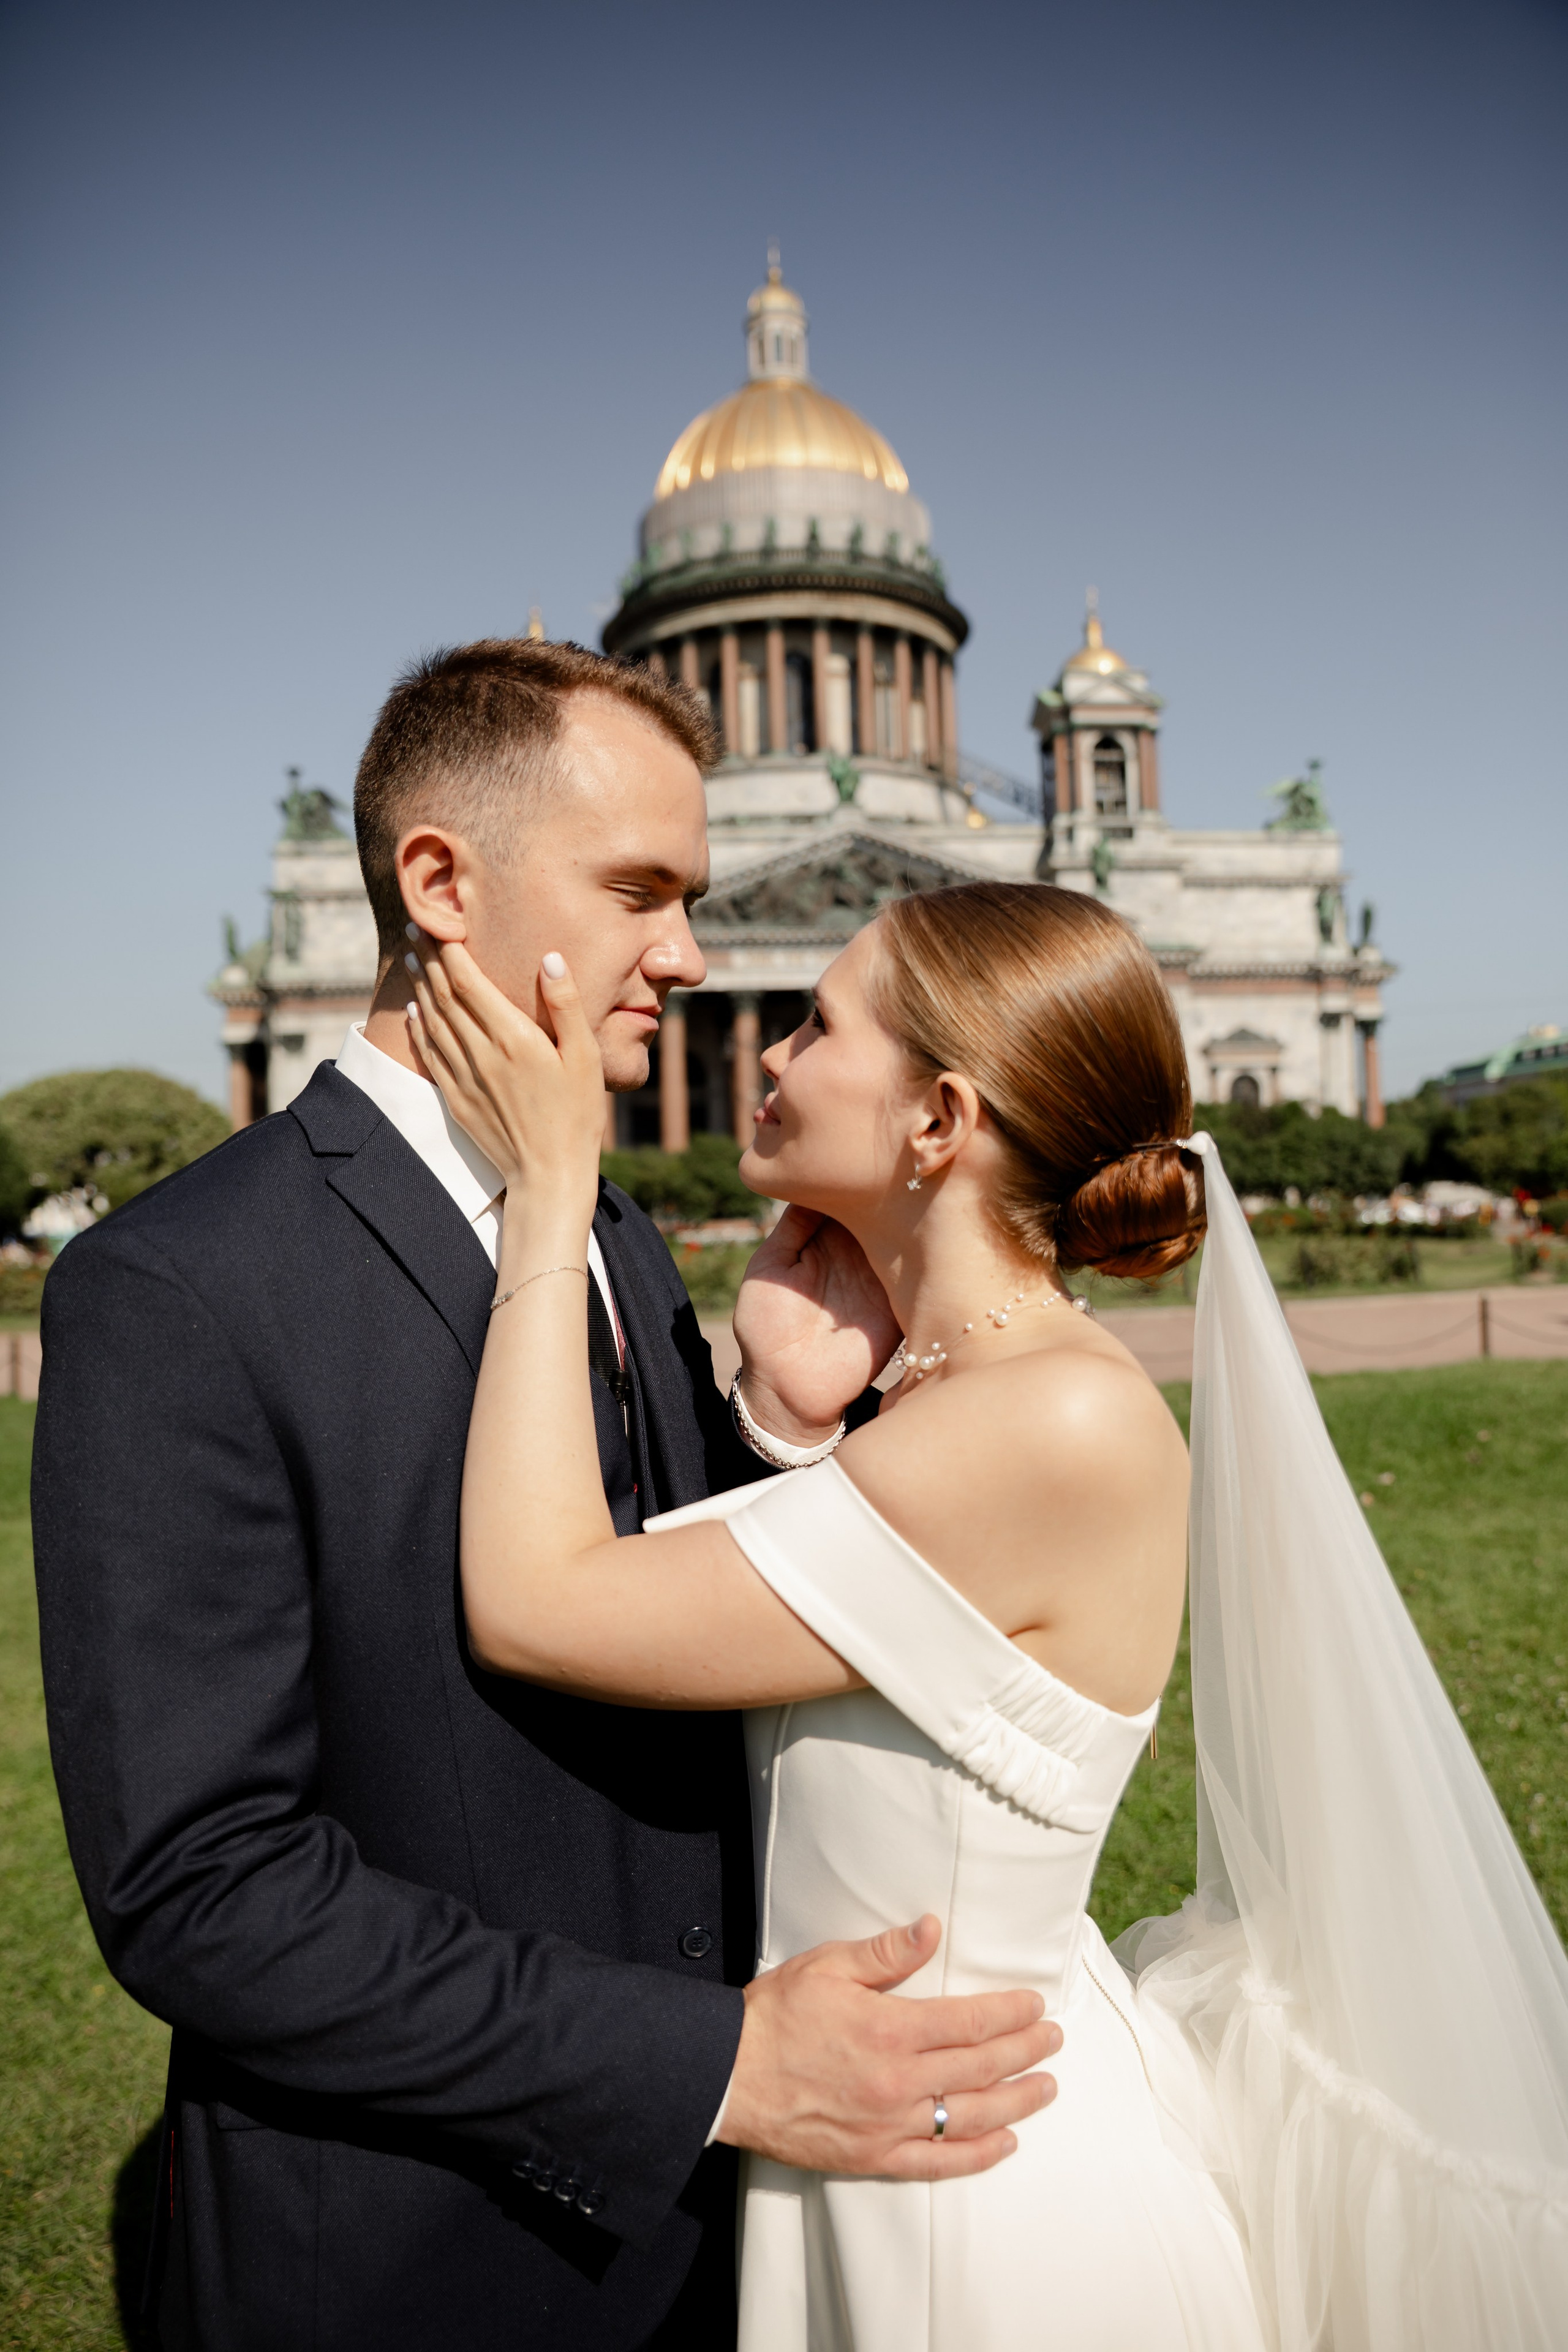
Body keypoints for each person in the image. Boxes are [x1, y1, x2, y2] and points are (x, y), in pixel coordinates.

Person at [31, 641, 1059, 2352]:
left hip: (711, 2236)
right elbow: (204, 1888)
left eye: (694, 898)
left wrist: (775, 1430)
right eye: (641, 892)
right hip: (411, 2257)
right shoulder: (180, 1289)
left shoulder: (609, 1229)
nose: (694, 955)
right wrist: (713, 2065)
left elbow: (651, 1617)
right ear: (441, 884)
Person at [402, 875, 1568, 2351]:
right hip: (891, 2134)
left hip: (977, 2207)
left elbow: (539, 1604)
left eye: (814, 1025)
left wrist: (548, 1191)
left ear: (937, 1120)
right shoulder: (955, 1398)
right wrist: (785, 1420)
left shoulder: (1047, 1420)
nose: (766, 1052)